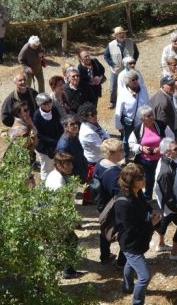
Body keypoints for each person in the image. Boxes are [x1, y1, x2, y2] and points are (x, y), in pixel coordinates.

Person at [114, 163, 162, 305]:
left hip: (139, 241)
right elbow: (130, 229)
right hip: (130, 244)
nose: (144, 180)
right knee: (144, 276)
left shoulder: (137, 192)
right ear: (131, 180)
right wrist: (151, 223)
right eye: (141, 178)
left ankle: (127, 286)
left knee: (130, 263)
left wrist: (151, 213)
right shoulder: (123, 202)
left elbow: (145, 207)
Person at [44, 152, 84, 280]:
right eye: (68, 164)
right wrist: (68, 220)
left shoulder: (60, 175)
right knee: (71, 241)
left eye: (71, 163)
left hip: (57, 217)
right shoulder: (58, 181)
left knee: (61, 242)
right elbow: (59, 204)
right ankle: (68, 271)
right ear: (59, 165)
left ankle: (57, 263)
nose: (71, 166)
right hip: (57, 219)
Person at [153, 138, 177, 260]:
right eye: (175, 149)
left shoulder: (169, 160)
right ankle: (174, 253)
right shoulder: (166, 171)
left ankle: (160, 244)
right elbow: (168, 196)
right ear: (167, 152)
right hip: (170, 204)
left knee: (165, 219)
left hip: (166, 204)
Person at [129, 105, 175, 199]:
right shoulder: (138, 130)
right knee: (148, 181)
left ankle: (165, 198)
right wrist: (141, 148)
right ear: (142, 119)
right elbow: (131, 144)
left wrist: (161, 148)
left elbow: (171, 138)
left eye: (152, 115)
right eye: (148, 116)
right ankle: (148, 199)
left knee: (162, 179)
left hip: (161, 160)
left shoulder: (162, 125)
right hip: (145, 162)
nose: (152, 117)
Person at [92, 138, 125, 266]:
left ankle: (105, 256)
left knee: (104, 230)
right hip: (112, 208)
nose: (123, 152)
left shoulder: (101, 163)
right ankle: (122, 263)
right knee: (124, 232)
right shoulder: (113, 174)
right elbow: (119, 194)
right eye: (120, 150)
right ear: (111, 154)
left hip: (102, 205)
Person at [115, 71, 150, 158]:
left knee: (140, 140)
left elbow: (148, 103)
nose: (135, 81)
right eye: (133, 80)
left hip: (142, 122)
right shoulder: (123, 93)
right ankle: (125, 157)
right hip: (128, 123)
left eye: (136, 79)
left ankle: (138, 157)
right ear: (127, 82)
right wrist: (119, 126)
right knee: (126, 141)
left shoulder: (143, 88)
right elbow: (118, 111)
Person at [79, 103, 109, 202]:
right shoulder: (88, 132)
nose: (95, 116)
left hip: (98, 158)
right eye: (91, 115)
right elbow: (102, 147)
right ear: (85, 117)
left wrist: (106, 138)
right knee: (93, 182)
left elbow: (105, 134)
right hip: (93, 161)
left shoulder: (93, 125)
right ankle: (88, 200)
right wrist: (106, 138)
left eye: (95, 113)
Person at [104, 26, 139, 109]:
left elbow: (136, 53)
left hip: (129, 70)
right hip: (116, 70)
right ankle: (113, 102)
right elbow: (106, 56)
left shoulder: (131, 42)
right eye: (119, 33)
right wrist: (112, 64)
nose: (121, 35)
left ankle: (131, 100)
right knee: (113, 88)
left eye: (122, 33)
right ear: (115, 36)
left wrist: (133, 62)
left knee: (130, 85)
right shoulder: (111, 45)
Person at [32, 93, 64, 181]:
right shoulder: (37, 116)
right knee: (46, 168)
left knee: (57, 164)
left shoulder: (54, 110)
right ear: (39, 105)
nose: (49, 104)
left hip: (56, 143)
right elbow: (39, 135)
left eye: (50, 101)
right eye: (45, 103)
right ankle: (44, 185)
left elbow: (59, 125)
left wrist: (61, 138)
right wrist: (54, 141)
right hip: (44, 147)